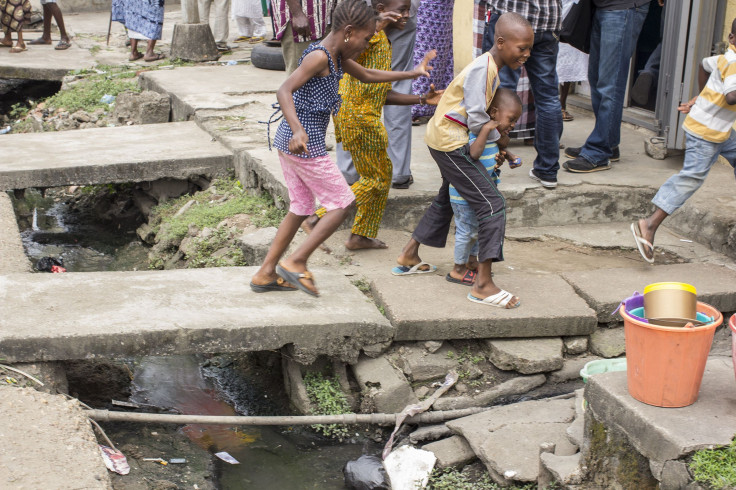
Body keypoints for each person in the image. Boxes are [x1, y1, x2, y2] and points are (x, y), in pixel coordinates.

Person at [250, 0, 434, 297]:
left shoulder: (337, 57)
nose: (364, 47)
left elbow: (369, 76)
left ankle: (265, 273)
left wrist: (413, 75)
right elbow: (284, 89)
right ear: (349, 32)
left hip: (290, 143)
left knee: (300, 208)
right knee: (342, 201)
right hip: (303, 143)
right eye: (364, 39)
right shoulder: (320, 57)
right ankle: (296, 261)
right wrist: (298, 129)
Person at [393, 12, 533, 309]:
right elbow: (479, 119)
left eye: (529, 48)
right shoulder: (485, 69)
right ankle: (482, 284)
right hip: (450, 144)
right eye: (521, 48)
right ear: (501, 42)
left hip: (444, 138)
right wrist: (501, 141)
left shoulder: (489, 67)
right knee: (492, 204)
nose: (527, 54)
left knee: (447, 197)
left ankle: (408, 255)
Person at [305, 0, 440, 251]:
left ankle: (361, 236)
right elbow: (344, 38)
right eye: (402, 9)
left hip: (359, 116)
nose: (408, 15)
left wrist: (423, 100)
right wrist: (378, 24)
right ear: (380, 9)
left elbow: (383, 93)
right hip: (359, 119)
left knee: (381, 175)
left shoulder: (384, 42)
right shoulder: (372, 38)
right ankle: (317, 217)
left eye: (410, 8)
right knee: (375, 180)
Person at [631, 18, 736, 264]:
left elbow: (704, 64)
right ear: (732, 39)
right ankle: (649, 224)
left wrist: (700, 95)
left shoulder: (724, 57)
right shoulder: (733, 62)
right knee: (692, 177)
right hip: (705, 132)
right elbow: (732, 97)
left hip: (717, 129)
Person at [563, 0, 649, 173]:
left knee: (610, 84)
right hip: (602, 7)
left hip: (622, 8)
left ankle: (599, 151)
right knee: (596, 80)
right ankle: (608, 142)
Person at [448, 90, 522, 286]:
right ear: (494, 113)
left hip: (481, 196)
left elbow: (499, 151)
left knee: (478, 230)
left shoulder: (494, 136)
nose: (513, 125)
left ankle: (472, 262)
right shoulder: (475, 134)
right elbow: (473, 154)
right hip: (464, 196)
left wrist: (510, 157)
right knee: (466, 231)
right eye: (511, 119)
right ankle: (458, 268)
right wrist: (485, 130)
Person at [385, 0, 420, 189]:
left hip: (362, 10)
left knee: (355, 82)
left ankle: (349, 171)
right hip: (403, 8)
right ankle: (398, 172)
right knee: (398, 83)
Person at [410, 0, 454, 124]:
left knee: (442, 53)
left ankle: (435, 105)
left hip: (445, 8)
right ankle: (415, 107)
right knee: (424, 50)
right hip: (427, 8)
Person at [271, 0, 335, 74]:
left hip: (324, 13)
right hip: (299, 14)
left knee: (324, 72)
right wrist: (297, 13)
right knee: (299, 73)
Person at [556, 0, 588, 122]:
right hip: (555, 16)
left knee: (568, 65)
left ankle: (561, 105)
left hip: (572, 17)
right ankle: (555, 106)